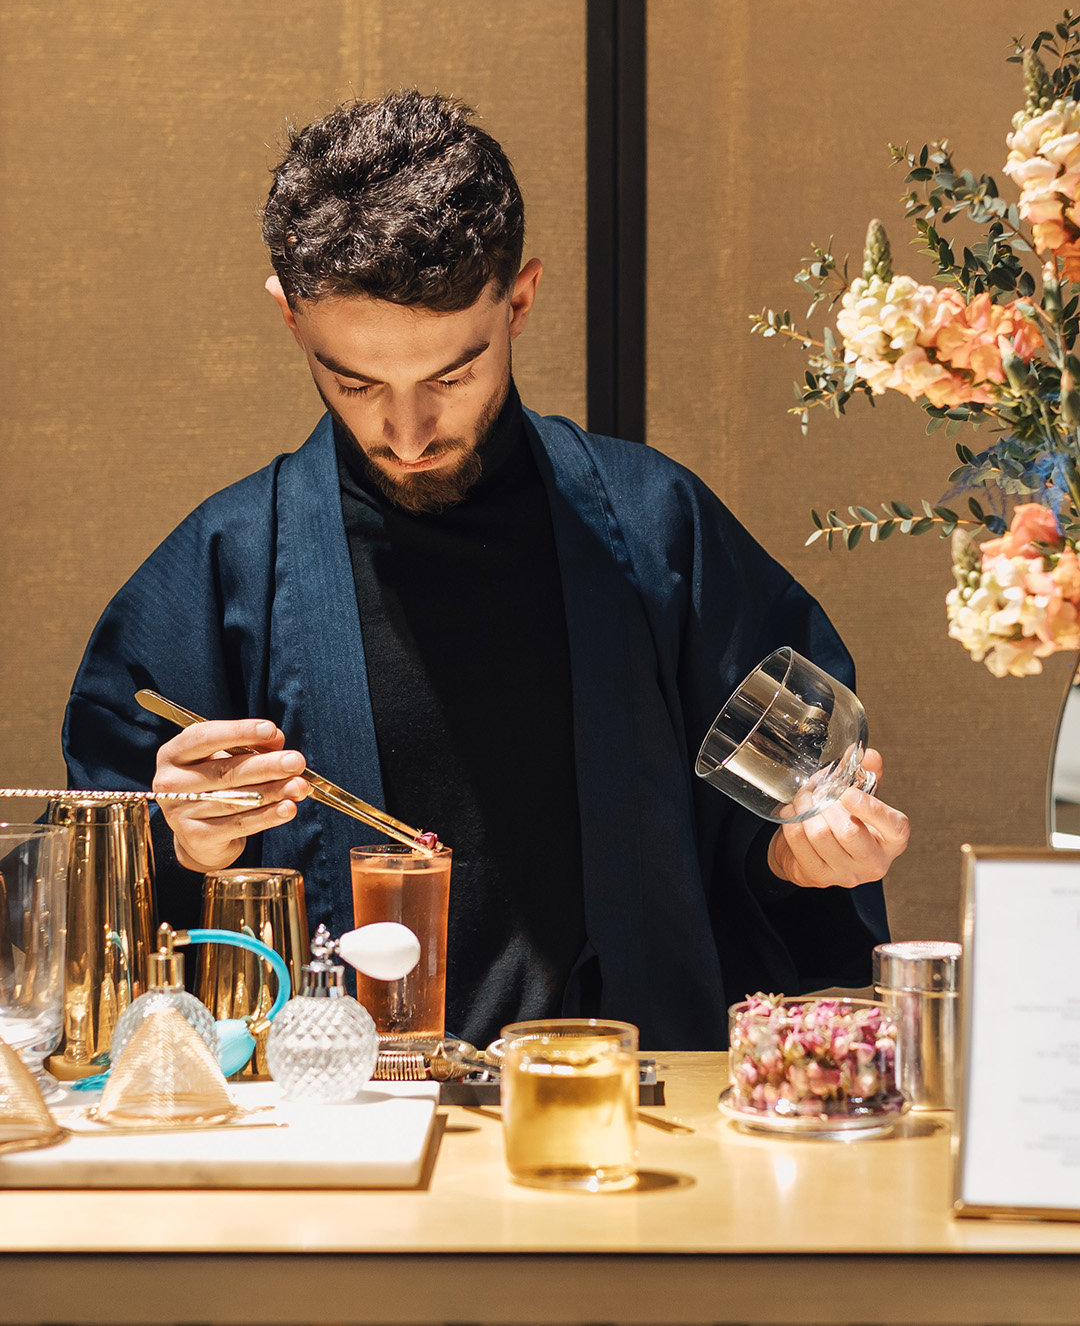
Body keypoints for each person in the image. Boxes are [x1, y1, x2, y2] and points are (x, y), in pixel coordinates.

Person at [63, 90, 908, 1049]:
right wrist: (190, 843)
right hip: (346, 1120)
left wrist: (805, 859)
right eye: (356, 382)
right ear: (291, 319)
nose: (407, 433)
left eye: (451, 376)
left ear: (521, 300)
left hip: (620, 1102)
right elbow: (109, 914)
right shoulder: (226, 568)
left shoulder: (654, 526)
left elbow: (779, 827)